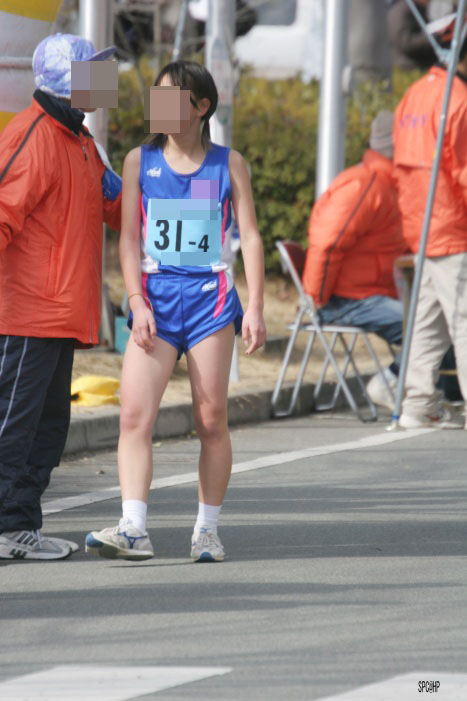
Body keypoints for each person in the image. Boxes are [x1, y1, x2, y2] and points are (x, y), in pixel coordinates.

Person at [85, 60, 266, 562]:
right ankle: (133, 528)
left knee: (211, 421)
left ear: (201, 107)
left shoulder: (228, 164)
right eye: (156, 96)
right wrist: (136, 300)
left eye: (172, 97)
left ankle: (207, 530)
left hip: (210, 301)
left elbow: (248, 235)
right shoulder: (139, 162)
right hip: (157, 304)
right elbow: (128, 241)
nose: (158, 106)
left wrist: (254, 305)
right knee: (133, 416)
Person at [0, 34, 122, 560]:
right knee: (12, 426)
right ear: (68, 79)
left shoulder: (80, 139)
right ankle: (8, 525)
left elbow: (118, 203)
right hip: (26, 312)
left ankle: (18, 527)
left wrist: (174, 161)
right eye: (95, 70)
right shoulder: (32, 136)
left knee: (46, 430)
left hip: (60, 313)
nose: (105, 80)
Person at [302, 111, 407, 411]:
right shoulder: (365, 184)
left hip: (364, 295)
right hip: (344, 300)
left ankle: (411, 386)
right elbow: (328, 243)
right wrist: (316, 299)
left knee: (437, 320)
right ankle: (391, 382)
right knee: (427, 325)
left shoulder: (386, 183)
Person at [393, 14, 467, 429]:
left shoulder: (413, 96)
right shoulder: (459, 100)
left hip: (420, 225)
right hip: (454, 226)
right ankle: (419, 403)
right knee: (462, 320)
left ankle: (418, 404)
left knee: (427, 323)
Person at [388, 0, 437, 71]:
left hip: (417, 64)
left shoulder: (416, 8)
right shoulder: (405, 10)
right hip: (410, 66)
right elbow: (405, 42)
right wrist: (435, 36)